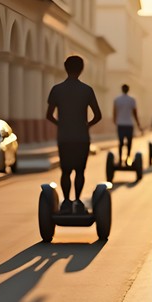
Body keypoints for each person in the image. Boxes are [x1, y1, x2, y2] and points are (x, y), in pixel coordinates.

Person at [46, 55, 102, 213]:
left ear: (65, 67)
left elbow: (49, 115)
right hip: (81, 138)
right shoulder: (87, 90)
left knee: (65, 171)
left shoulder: (57, 90)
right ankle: (77, 200)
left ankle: (66, 202)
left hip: (64, 137)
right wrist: (86, 126)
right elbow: (98, 115)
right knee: (79, 171)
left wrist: (61, 124)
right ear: (82, 69)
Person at [113, 84, 142, 161]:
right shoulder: (132, 100)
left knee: (121, 142)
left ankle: (120, 158)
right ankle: (128, 157)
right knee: (129, 142)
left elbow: (114, 112)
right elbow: (135, 113)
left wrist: (115, 121)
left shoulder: (117, 99)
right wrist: (138, 124)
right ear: (128, 90)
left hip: (120, 124)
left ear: (122, 89)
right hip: (129, 124)